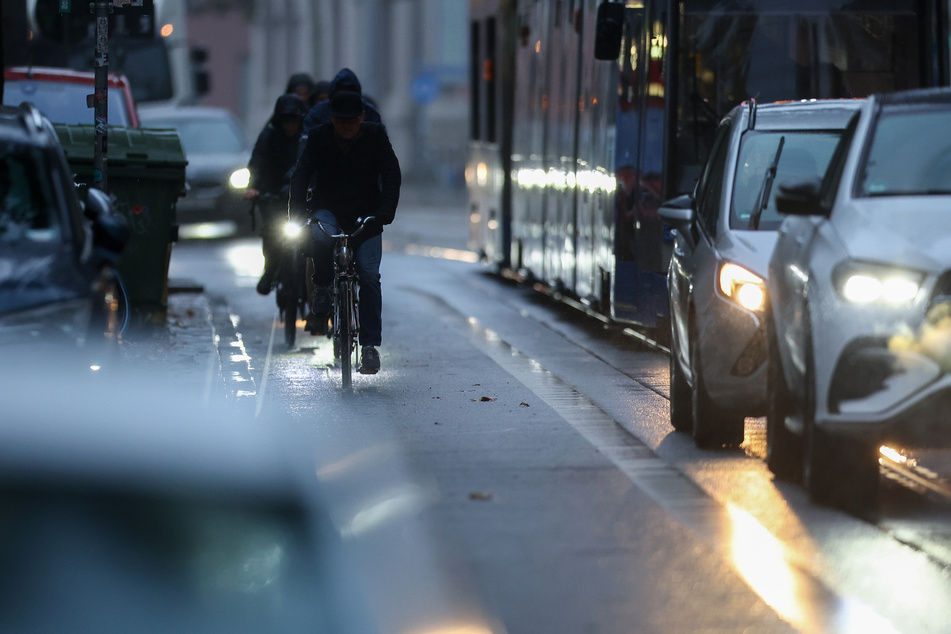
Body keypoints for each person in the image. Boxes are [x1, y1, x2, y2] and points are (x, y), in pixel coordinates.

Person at [289, 91, 401, 374]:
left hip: (367, 216)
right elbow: (301, 176)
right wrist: (298, 215)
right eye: (340, 120)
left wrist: (385, 214)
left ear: (362, 118)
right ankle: (324, 287)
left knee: (369, 275)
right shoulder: (318, 137)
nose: (346, 126)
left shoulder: (375, 136)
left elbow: (391, 174)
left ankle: (369, 347)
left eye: (351, 121)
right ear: (332, 118)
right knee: (319, 237)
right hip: (329, 209)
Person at [245, 93, 307, 295]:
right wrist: (253, 186)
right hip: (271, 194)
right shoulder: (268, 135)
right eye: (286, 121)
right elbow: (257, 161)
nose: (290, 126)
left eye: (294, 121)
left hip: (298, 195)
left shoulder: (307, 138)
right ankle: (270, 270)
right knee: (271, 234)